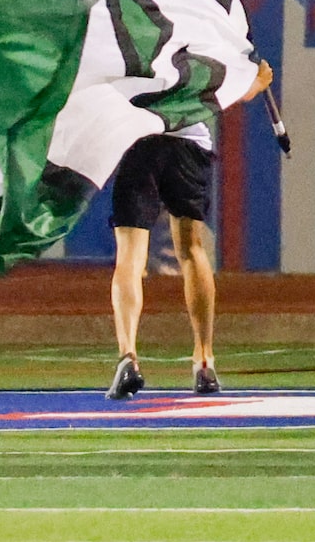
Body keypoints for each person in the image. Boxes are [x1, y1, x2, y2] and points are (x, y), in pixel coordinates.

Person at [104, 61, 273, 400]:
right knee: (191, 249)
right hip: (189, 144)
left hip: (140, 143)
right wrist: (258, 81)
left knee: (130, 257)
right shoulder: (197, 36)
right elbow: (230, 91)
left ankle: (128, 356)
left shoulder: (127, 32)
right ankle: (205, 360)